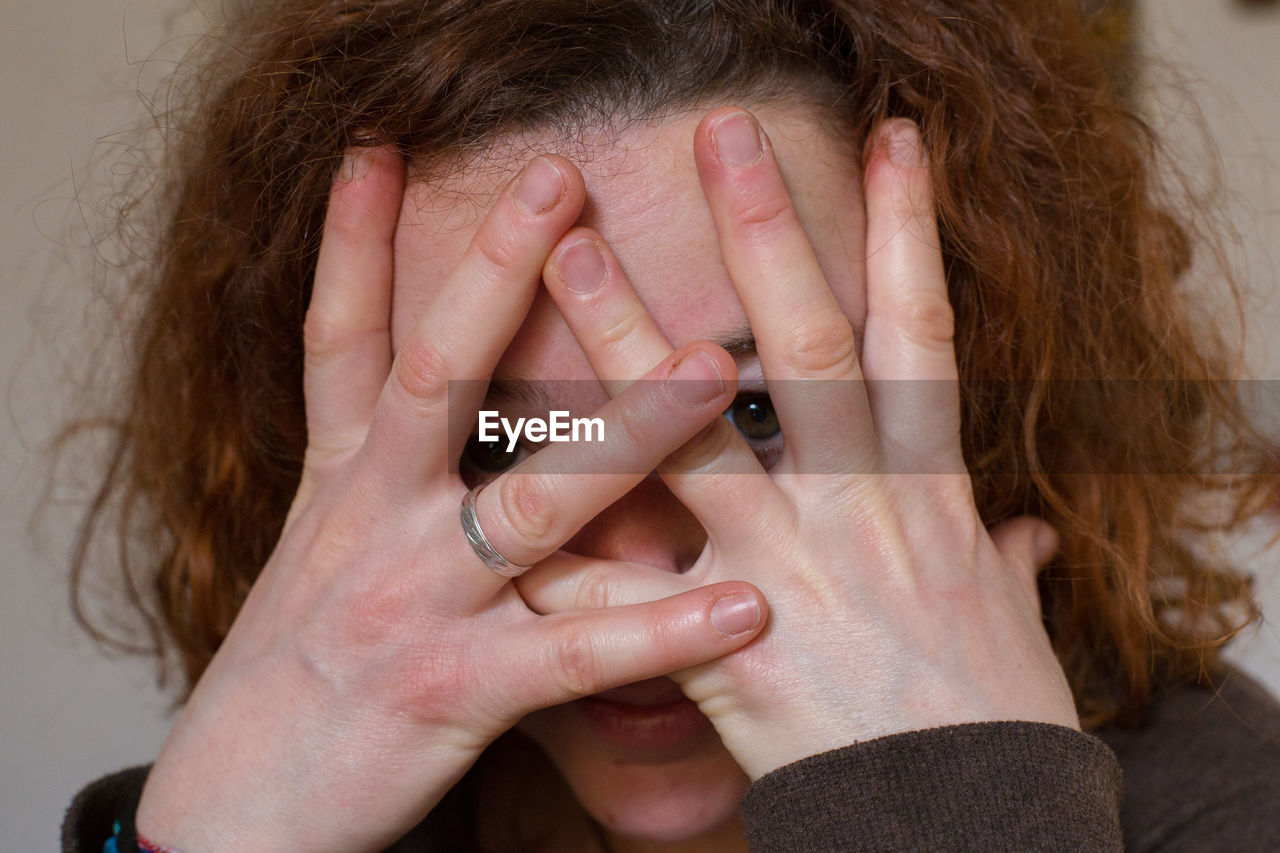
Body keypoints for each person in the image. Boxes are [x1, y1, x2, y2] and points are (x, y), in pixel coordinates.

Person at [60, 0, 1280, 850]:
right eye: (505, 430)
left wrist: (955, 805)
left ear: (978, 371)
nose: (642, 575)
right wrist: (195, 836)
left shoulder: (1227, 802)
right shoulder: (320, 786)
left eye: (754, 409)